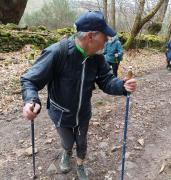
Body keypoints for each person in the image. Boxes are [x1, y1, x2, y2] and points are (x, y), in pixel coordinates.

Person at [21, 11, 137, 180]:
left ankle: (80, 164)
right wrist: (31, 100)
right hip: (60, 114)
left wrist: (122, 86)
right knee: (68, 142)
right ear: (90, 36)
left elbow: (106, 81)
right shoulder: (57, 53)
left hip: (83, 113)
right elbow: (29, 80)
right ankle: (66, 152)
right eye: (104, 38)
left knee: (82, 143)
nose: (106, 42)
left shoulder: (97, 58)